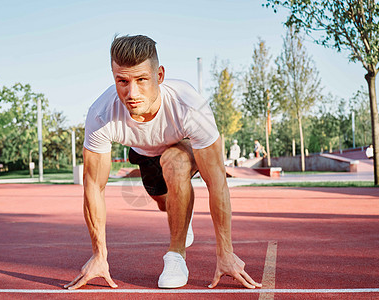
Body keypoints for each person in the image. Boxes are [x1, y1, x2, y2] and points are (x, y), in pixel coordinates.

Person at [64, 35, 262, 290]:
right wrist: (99, 254)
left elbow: (217, 182)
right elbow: (93, 186)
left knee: (174, 162)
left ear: (159, 76)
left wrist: (225, 252)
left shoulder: (189, 106)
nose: (131, 93)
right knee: (164, 204)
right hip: (144, 154)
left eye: (141, 80)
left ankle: (176, 257)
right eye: (122, 81)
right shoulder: (102, 114)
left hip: (182, 147)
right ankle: (183, 213)